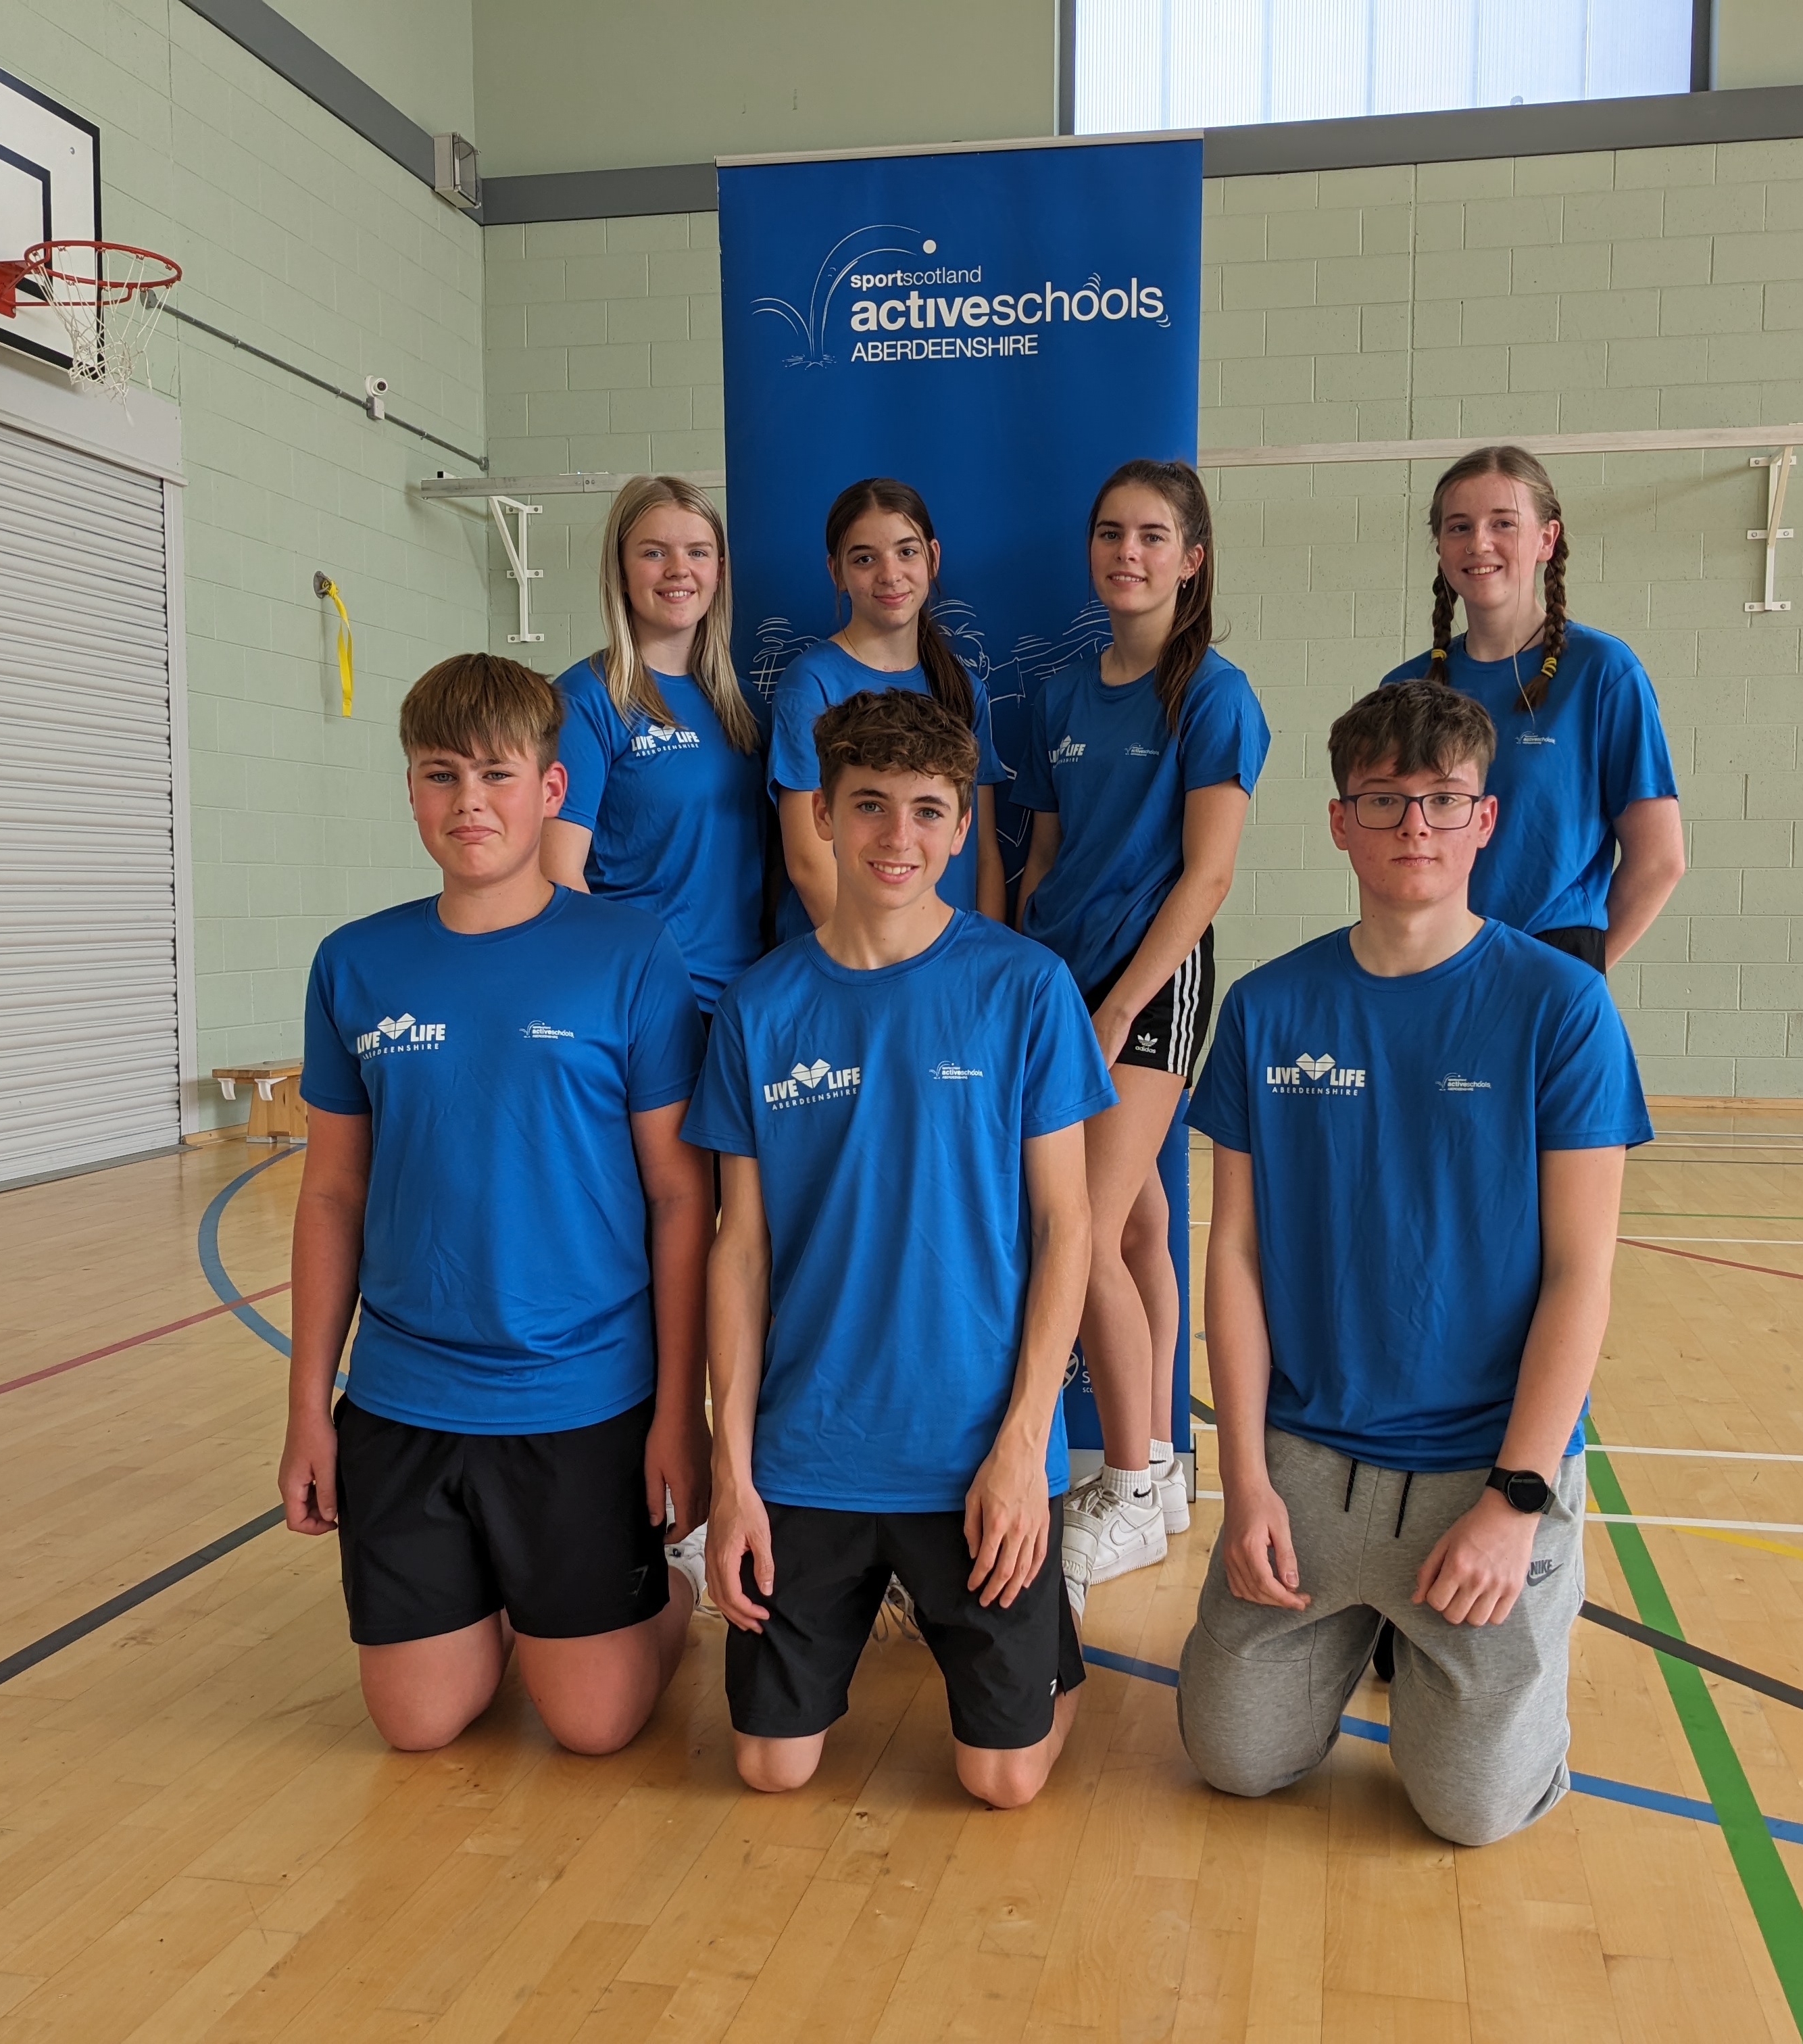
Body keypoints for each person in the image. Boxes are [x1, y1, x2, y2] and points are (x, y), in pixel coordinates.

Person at [1176, 680, 1650, 1846]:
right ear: (1339, 820)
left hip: (1481, 1480)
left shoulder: (1562, 1007)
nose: (1414, 828)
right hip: (1306, 1467)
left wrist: (1516, 1499)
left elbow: (1581, 1274)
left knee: (1469, 1812)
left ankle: (1516, 1630)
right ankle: (1357, 1637)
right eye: (1384, 800)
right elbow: (1229, 1255)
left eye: (1443, 800)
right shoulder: (1268, 1006)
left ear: (1485, 820)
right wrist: (1243, 1481)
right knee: (1234, 1760)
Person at [280, 654, 714, 1756]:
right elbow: (331, 1192)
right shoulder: (355, 963)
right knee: (420, 1723)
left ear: (551, 790)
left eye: (496, 774)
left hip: (582, 1397)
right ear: (412, 791)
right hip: (405, 1397)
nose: (469, 801)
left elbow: (678, 1192)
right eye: (440, 774)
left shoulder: (631, 954)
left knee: (595, 1723)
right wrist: (305, 1409)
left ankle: (639, 1604)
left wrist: (678, 1410)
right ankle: (512, 1606)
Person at [688, 687, 1113, 1809]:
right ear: (822, 814)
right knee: (770, 1767)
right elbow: (738, 1247)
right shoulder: (760, 1006)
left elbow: (1069, 1224)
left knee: (1003, 1779)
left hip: (972, 1451)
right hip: (810, 1449)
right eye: (869, 805)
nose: (897, 836)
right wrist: (731, 1471)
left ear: (963, 826)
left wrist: (1024, 1448)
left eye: (928, 810)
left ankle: (1043, 1647)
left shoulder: (1023, 987)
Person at [1012, 458, 1268, 1609]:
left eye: (1153, 536)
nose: (1129, 552)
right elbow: (1045, 860)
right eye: (1111, 532)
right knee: (1146, 1219)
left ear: (1191, 558)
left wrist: (1118, 1002)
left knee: (1091, 1225)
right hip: (1060, 981)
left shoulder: (1214, 694)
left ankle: (1117, 1481)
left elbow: (1207, 874)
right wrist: (1032, 971)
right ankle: (1160, 1467)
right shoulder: (1057, 692)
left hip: (1149, 984)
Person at [1382, 443, 1683, 971]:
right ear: (1440, 547)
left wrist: (1576, 978)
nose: (1479, 543)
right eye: (1459, 527)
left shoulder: (1602, 672)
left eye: (1503, 523)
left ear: (1547, 539)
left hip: (1552, 957)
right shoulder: (1406, 686)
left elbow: (1660, 860)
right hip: (1430, 959)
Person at [542, 475, 768, 1013]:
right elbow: (558, 873)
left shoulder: (746, 705)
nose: (678, 570)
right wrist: (628, 993)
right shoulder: (586, 700)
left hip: (747, 1004)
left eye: (698, 552)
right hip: (646, 1006)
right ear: (620, 572)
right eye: (653, 552)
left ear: (719, 571)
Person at [768, 478, 1008, 936]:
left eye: (906, 552)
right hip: (850, 968)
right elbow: (807, 862)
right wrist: (886, 973)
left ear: (933, 558)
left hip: (950, 969)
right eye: (864, 559)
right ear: (836, 572)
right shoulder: (812, 684)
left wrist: (984, 961)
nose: (889, 574)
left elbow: (983, 852)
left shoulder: (964, 689)